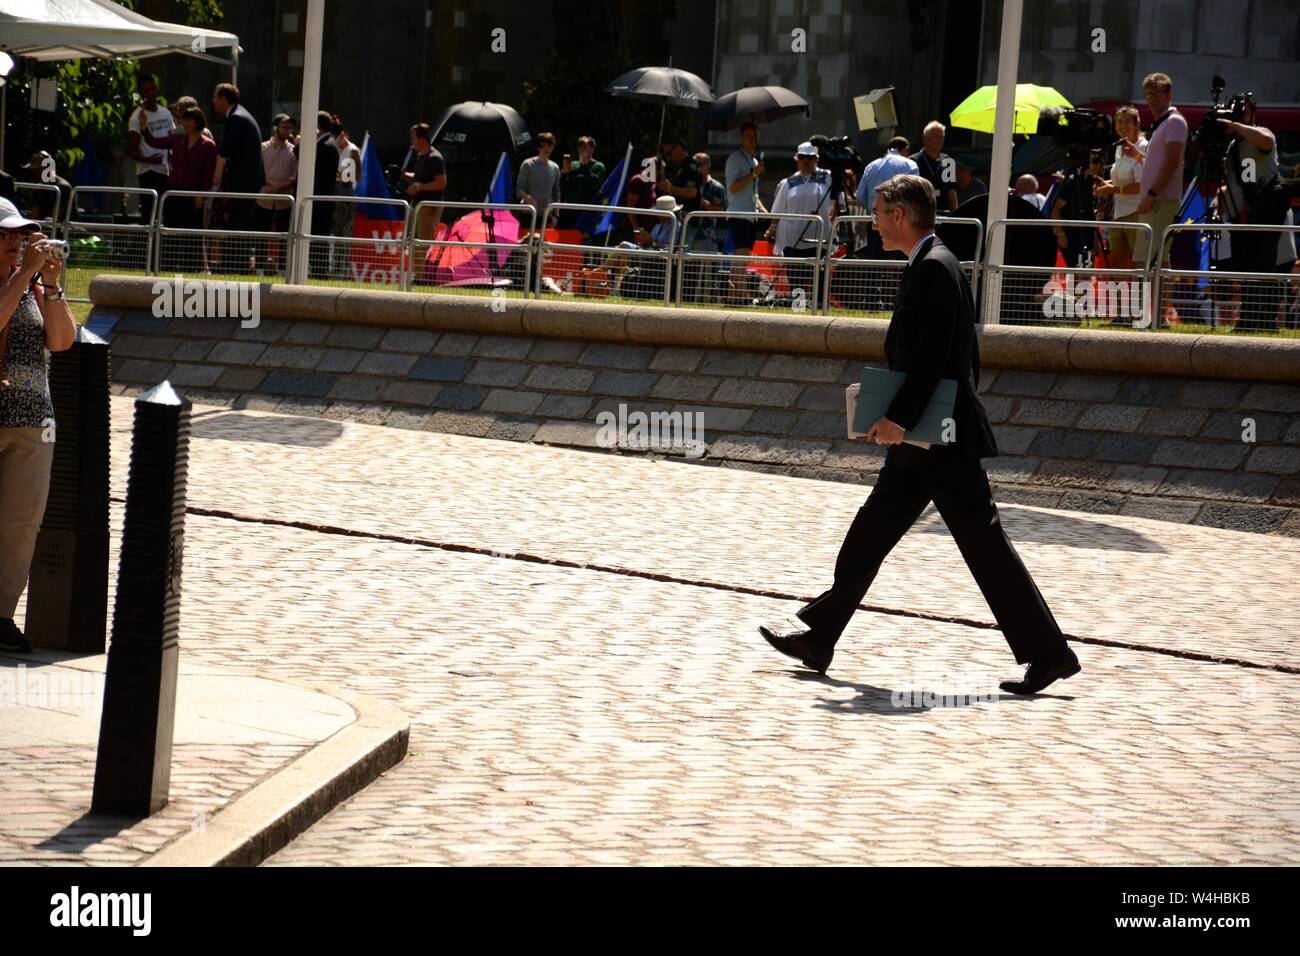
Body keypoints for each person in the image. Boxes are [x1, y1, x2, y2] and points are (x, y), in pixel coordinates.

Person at [759, 173, 1080, 696]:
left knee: (984, 545)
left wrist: (898, 419)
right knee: (872, 532)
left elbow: (935, 360)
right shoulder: (931, 263)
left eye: (880, 213)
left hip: (940, 439)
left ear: (901, 216)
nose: (874, 222)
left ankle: (1050, 654)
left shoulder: (933, 267)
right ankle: (819, 637)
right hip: (927, 436)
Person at [0, 198, 77, 653]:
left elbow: (63, 340)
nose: (15, 242)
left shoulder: (30, 286)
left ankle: (2, 613)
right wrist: (21, 274)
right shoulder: (14, 283)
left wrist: (49, 284)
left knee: (20, 522)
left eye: (20, 234)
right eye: (6, 234)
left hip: (32, 421)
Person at [1218, 94, 1290, 332]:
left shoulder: (1259, 133)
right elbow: (1237, 180)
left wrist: (1237, 125)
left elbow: (1267, 140)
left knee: (1263, 270)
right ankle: (1247, 321)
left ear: (1253, 114)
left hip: (1264, 214)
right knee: (1246, 271)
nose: (1239, 114)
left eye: (1245, 111)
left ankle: (1265, 323)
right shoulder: (1233, 145)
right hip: (1241, 217)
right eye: (1236, 111)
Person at [134, 105, 218, 272]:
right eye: (184, 119)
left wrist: (202, 195)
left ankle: (192, 268)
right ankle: (168, 267)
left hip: (193, 193)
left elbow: (208, 174)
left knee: (192, 232)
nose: (184, 123)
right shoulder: (177, 139)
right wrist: (144, 127)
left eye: (188, 119)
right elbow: (154, 142)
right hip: (174, 191)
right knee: (171, 230)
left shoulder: (208, 145)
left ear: (197, 121)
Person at [765, 141, 834, 300]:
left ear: (816, 159)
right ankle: (798, 308)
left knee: (820, 277)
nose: (806, 161)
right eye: (802, 157)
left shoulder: (828, 177)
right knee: (796, 278)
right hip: (793, 238)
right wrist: (772, 229)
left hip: (820, 237)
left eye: (810, 158)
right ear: (797, 159)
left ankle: (820, 308)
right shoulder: (788, 182)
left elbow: (839, 201)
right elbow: (777, 209)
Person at [210, 83, 265, 274]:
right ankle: (236, 264)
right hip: (249, 181)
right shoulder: (242, 115)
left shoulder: (236, 118)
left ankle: (234, 265)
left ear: (224, 99)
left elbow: (224, 151)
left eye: (215, 97)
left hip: (243, 182)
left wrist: (215, 180)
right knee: (240, 222)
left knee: (237, 223)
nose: (213, 101)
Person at [1134, 73, 1187, 269]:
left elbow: (1172, 162)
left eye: (1157, 94)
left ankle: (1156, 301)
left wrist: (1151, 194)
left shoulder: (1174, 122)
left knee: (1147, 262)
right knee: (1156, 261)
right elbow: (1160, 162)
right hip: (1156, 200)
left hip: (1160, 200)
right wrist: (1139, 157)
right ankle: (1158, 301)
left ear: (1169, 95)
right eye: (1149, 94)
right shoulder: (1164, 123)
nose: (1152, 99)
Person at [1092, 105, 1147, 270]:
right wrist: (1105, 184)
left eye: (1127, 122)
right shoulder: (1119, 147)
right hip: (1118, 214)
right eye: (1119, 122)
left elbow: (1142, 186)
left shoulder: (1143, 146)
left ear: (1136, 124)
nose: (1123, 126)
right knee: (1117, 266)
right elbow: (1119, 181)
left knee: (1139, 265)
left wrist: (1112, 190)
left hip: (1137, 213)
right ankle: (1121, 297)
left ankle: (1142, 297)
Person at [126, 73, 176, 226]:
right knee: (149, 215)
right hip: (148, 172)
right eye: (146, 91)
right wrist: (149, 160)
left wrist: (173, 164)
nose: (151, 94)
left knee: (166, 213)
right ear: (141, 93)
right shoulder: (137, 118)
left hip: (165, 170)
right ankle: (146, 247)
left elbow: (171, 140)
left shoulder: (165, 113)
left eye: (153, 89)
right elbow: (133, 151)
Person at [296, 111, 340, 278]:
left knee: (318, 236)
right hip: (321, 200)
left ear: (317, 127)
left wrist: (299, 146)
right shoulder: (327, 143)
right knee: (317, 236)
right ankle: (318, 270)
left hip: (320, 201)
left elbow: (309, 163)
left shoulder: (325, 145)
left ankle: (320, 272)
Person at [254, 113, 298, 275]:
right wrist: (266, 187)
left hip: (284, 200)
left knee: (284, 237)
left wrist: (283, 185)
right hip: (264, 199)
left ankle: (282, 271)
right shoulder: (263, 148)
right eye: (284, 127)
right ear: (275, 128)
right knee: (261, 237)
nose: (288, 131)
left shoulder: (294, 151)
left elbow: (295, 174)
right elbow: (257, 171)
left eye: (290, 128)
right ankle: (259, 269)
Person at [725, 122, 768, 254]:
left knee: (745, 256)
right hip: (738, 215)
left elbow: (753, 191)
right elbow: (732, 188)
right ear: (741, 138)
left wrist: (762, 209)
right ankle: (737, 276)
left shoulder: (754, 161)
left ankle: (740, 276)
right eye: (748, 136)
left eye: (755, 136)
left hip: (751, 216)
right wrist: (754, 174)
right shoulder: (734, 159)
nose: (752, 139)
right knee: (741, 255)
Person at [402, 123, 447, 241]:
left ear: (422, 139)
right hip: (417, 205)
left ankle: (424, 261)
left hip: (428, 207)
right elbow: (419, 178)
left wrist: (419, 187)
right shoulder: (421, 156)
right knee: (413, 242)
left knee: (423, 244)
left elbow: (441, 183)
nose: (411, 142)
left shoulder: (434, 157)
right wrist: (403, 175)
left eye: (413, 138)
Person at [332, 116, 362, 278]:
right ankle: (333, 268)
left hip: (345, 194)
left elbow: (357, 176)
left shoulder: (352, 150)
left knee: (344, 234)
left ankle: (341, 270)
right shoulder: (332, 148)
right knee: (334, 234)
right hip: (332, 193)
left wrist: (339, 174)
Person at [517, 132, 562, 233]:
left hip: (547, 214)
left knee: (545, 248)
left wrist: (556, 216)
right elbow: (519, 189)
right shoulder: (527, 164)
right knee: (526, 246)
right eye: (544, 145)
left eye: (550, 145)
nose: (547, 148)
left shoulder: (555, 168)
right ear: (538, 146)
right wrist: (527, 198)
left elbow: (556, 193)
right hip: (529, 213)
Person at [559, 136, 605, 232]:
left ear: (592, 149)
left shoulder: (598, 167)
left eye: (585, 147)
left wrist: (585, 164)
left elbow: (593, 185)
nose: (582, 150)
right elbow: (564, 187)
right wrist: (565, 173)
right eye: (580, 147)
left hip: (585, 212)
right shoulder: (573, 165)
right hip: (568, 210)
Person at [915, 120, 958, 213]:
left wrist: (955, 214)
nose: (940, 140)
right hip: (921, 214)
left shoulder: (948, 161)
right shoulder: (913, 161)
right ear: (925, 139)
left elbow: (952, 191)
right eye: (936, 137)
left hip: (944, 215)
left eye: (942, 137)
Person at [657, 137, 702, 217]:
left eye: (669, 153)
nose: (668, 157)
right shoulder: (671, 166)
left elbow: (691, 192)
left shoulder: (692, 166)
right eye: (666, 155)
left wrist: (669, 188)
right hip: (671, 216)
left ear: (679, 147)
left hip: (688, 218)